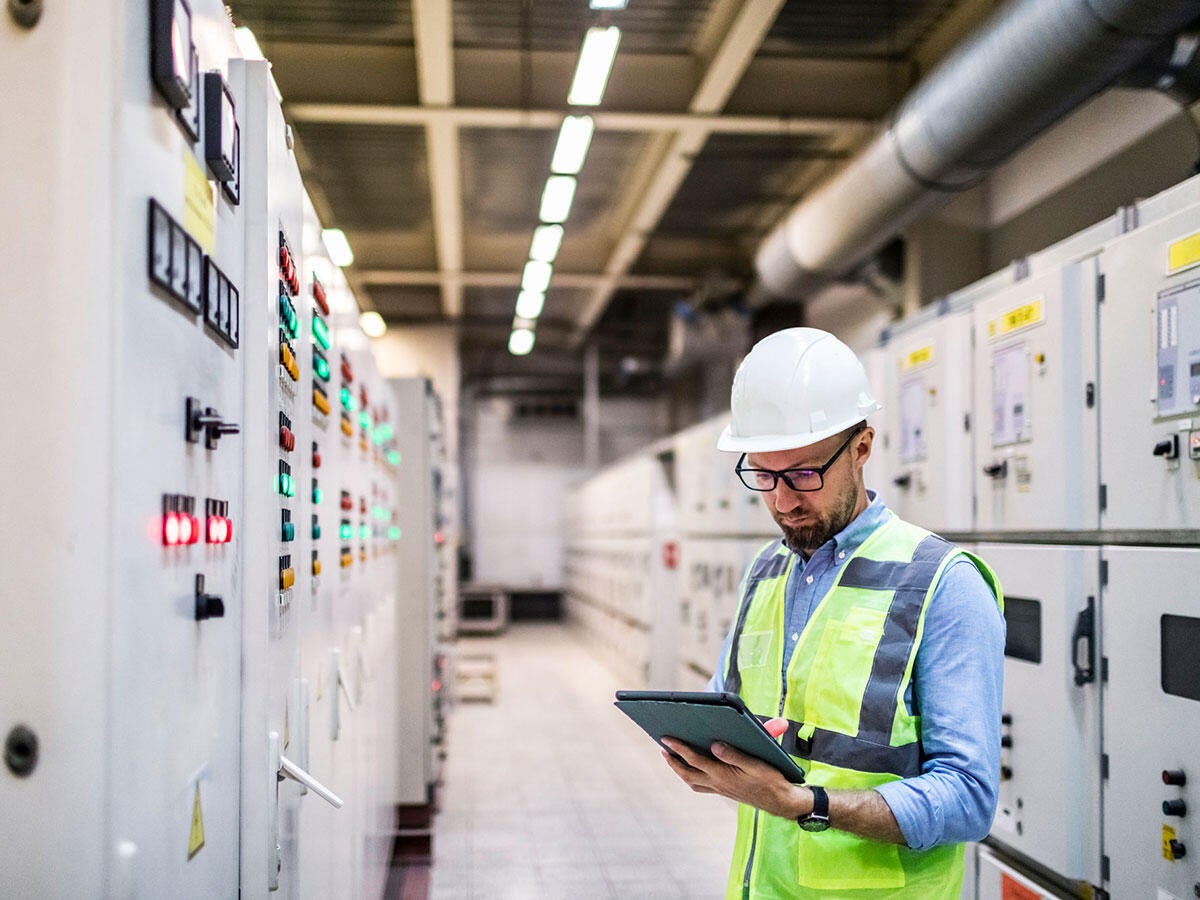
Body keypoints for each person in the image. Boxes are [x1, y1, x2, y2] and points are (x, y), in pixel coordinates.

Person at [660, 327, 1005, 899]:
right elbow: (725, 699)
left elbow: (968, 798)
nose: (782, 502)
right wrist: (704, 751)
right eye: (763, 476)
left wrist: (807, 804)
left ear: (863, 447)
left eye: (802, 475)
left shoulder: (944, 586)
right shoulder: (767, 570)